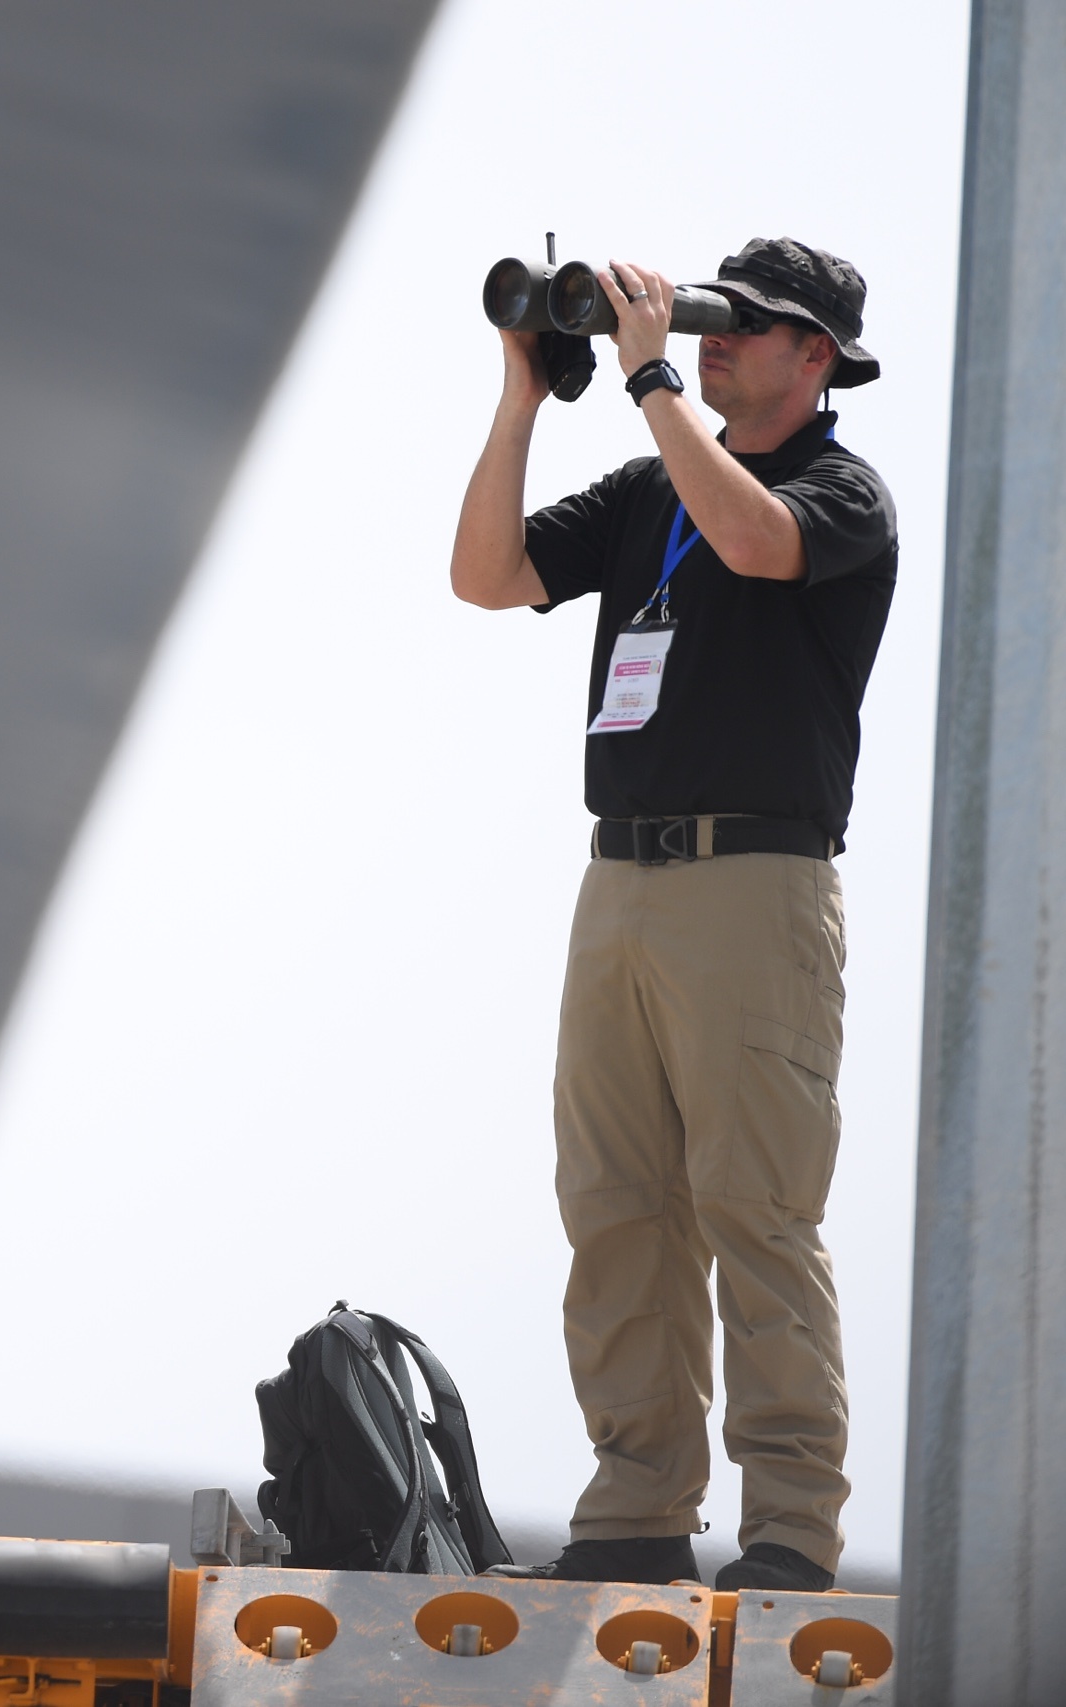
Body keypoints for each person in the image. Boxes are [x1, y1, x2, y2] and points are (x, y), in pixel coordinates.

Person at [448, 239, 895, 1591]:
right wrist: (529, 390)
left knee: (754, 1208)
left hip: (756, 885)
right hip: (622, 878)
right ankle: (637, 1514)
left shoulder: (841, 490)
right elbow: (487, 576)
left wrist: (648, 379)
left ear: (816, 358)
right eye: (710, 318)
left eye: (745, 328)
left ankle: (789, 1537)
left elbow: (760, 543)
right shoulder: (654, 487)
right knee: (618, 1206)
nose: (713, 341)